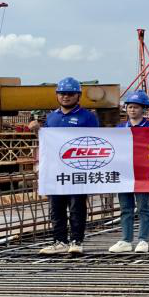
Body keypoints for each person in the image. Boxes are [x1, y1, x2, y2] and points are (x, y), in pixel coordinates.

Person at [35, 77, 99, 256]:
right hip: (55, 171)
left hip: (77, 170)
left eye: (70, 93)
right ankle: (60, 241)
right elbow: (46, 143)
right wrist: (36, 131)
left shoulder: (88, 117)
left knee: (77, 206)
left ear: (78, 96)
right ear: (57, 95)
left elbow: (97, 142)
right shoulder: (52, 118)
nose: (66, 96)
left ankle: (76, 241)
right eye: (62, 93)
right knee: (56, 207)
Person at [111, 90, 149, 254]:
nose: (132, 110)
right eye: (130, 107)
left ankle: (143, 239)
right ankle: (126, 240)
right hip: (124, 174)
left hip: (143, 174)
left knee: (143, 207)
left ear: (143, 109)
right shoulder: (120, 128)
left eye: (136, 107)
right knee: (126, 208)